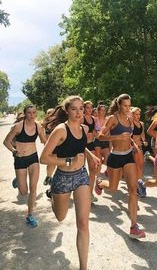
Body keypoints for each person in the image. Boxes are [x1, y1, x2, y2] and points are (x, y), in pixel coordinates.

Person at [40, 95, 100, 270]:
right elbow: (44, 158)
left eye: (81, 108)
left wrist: (90, 155)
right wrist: (69, 161)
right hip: (62, 178)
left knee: (83, 223)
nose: (79, 112)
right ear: (67, 110)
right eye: (74, 109)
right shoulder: (61, 130)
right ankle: (52, 196)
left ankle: (83, 267)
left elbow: (79, 148)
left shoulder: (83, 128)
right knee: (61, 217)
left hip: (81, 176)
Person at [95, 94, 146, 239]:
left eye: (129, 105)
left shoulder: (130, 118)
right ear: (119, 105)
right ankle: (100, 183)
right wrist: (117, 137)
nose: (127, 108)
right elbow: (100, 136)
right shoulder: (113, 118)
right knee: (113, 188)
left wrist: (134, 144)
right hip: (115, 156)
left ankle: (133, 226)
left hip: (128, 156)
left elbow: (128, 136)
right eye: (125, 105)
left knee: (132, 190)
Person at [3, 104, 46, 227]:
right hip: (20, 159)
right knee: (23, 191)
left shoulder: (38, 126)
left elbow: (44, 141)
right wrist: (14, 151)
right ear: (25, 114)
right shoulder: (18, 126)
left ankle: (30, 215)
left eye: (34, 113)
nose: (32, 115)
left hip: (33, 158)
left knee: (33, 189)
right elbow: (6, 141)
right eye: (29, 113)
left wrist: (48, 135)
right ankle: (18, 179)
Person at [83, 101, 100, 203]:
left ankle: (90, 193)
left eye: (91, 107)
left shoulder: (94, 119)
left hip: (91, 144)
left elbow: (95, 133)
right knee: (80, 170)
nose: (89, 109)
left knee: (93, 169)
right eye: (87, 107)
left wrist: (99, 134)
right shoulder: (81, 118)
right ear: (84, 108)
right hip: (81, 146)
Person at [131, 107, 148, 195]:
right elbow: (129, 137)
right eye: (136, 114)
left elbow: (142, 134)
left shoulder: (141, 123)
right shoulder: (130, 124)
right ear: (132, 114)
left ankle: (137, 184)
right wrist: (134, 143)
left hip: (140, 146)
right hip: (132, 147)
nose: (138, 116)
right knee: (137, 167)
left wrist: (144, 141)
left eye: (139, 114)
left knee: (141, 166)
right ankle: (137, 187)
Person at [94, 102, 110, 175]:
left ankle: (103, 171)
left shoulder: (108, 119)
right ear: (98, 111)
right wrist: (96, 134)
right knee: (98, 159)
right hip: (97, 141)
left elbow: (109, 131)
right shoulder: (95, 119)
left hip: (106, 140)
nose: (103, 112)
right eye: (101, 110)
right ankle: (97, 176)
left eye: (104, 110)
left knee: (107, 158)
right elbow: (92, 129)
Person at [42, 108, 56, 186]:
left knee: (57, 163)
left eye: (53, 113)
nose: (51, 114)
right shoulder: (45, 123)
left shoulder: (58, 122)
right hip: (49, 146)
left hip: (58, 145)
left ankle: (51, 177)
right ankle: (49, 176)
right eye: (49, 113)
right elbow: (42, 135)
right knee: (51, 163)